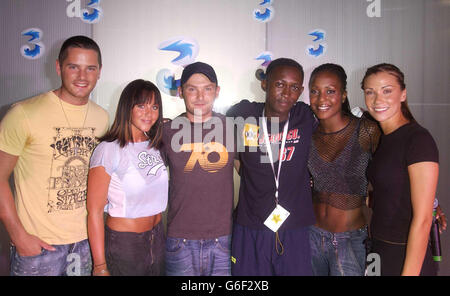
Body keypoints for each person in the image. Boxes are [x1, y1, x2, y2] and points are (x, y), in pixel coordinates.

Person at [0, 35, 109, 276]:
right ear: (59, 67)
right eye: (73, 67)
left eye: (90, 68)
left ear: (99, 72)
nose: (82, 77)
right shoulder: (23, 114)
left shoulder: (103, 118)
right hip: (38, 248)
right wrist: (19, 236)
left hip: (85, 243)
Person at [226, 58, 316, 275]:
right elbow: (208, 124)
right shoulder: (243, 113)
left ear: (301, 91)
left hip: (295, 227)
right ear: (265, 84)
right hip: (250, 225)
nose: (286, 93)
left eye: (294, 87)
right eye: (279, 84)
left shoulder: (305, 116)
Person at [361, 63, 439, 276]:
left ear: (403, 94)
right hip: (376, 249)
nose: (378, 100)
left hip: (405, 254)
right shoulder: (380, 137)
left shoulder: (418, 139)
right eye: (370, 92)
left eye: (387, 91)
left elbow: (423, 221)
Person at [87, 79, 168, 276]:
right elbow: (95, 212)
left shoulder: (155, 145)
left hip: (157, 238)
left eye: (154, 106)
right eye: (141, 105)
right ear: (127, 107)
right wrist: (100, 266)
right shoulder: (108, 149)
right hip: (125, 244)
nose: (149, 113)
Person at [307, 63, 381, 276]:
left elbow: (393, 172)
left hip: (350, 239)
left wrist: (432, 204)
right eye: (315, 91)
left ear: (343, 95)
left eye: (330, 91)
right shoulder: (308, 134)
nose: (322, 99)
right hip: (311, 236)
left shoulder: (366, 130)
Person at [162, 62, 235, 276]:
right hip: (179, 241)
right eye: (192, 89)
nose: (200, 96)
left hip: (223, 239)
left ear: (217, 91)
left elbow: (252, 174)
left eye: (207, 88)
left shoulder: (232, 128)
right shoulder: (166, 132)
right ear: (180, 92)